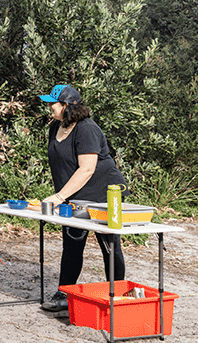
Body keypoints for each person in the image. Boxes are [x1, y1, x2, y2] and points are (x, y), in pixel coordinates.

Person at [38, 84, 128, 313]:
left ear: (67, 106)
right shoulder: (55, 127)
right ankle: (64, 294)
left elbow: (86, 169)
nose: (49, 107)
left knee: (109, 245)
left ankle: (116, 295)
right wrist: (64, 196)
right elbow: (63, 166)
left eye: (53, 103)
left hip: (104, 196)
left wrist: (59, 196)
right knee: (71, 245)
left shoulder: (87, 129)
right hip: (75, 197)